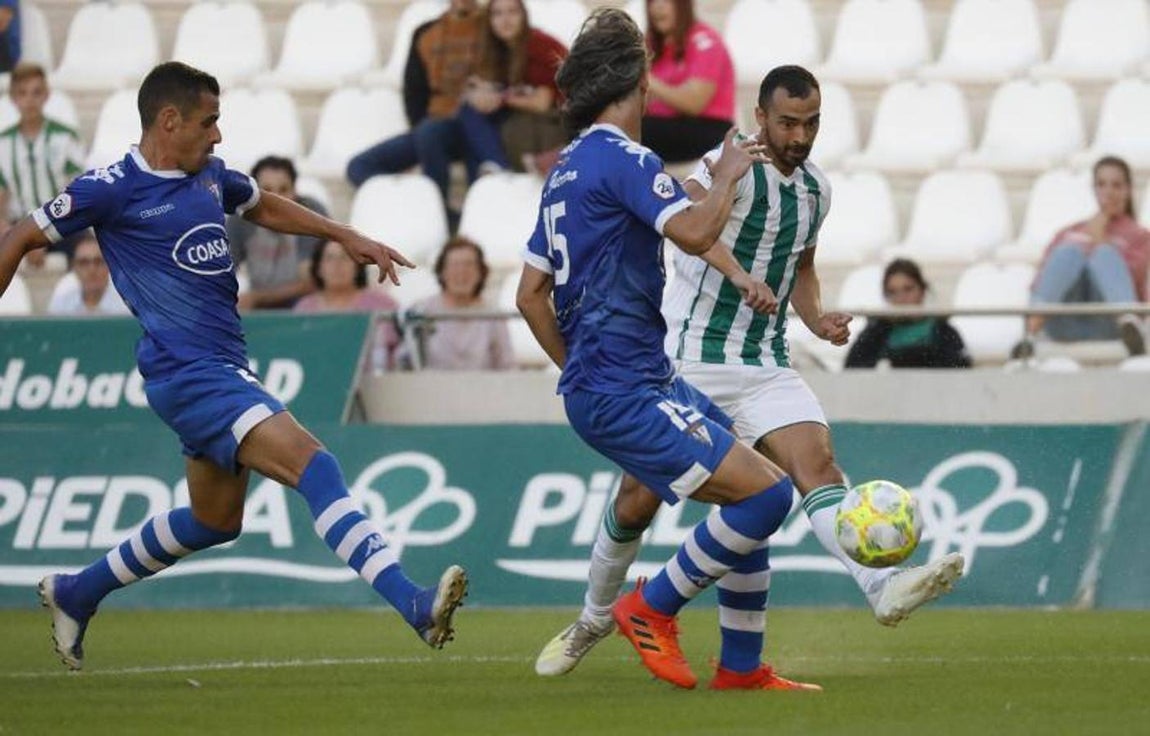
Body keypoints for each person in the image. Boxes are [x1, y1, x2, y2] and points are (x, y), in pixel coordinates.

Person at [0, 61, 467, 671]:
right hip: (189, 371)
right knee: (315, 465)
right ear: (169, 121)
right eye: (208, 121)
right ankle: (414, 603)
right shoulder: (109, 187)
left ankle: (76, 592)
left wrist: (343, 234)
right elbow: (17, 237)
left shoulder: (209, 176)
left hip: (216, 365)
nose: (217, 134)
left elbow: (264, 205)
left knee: (215, 519)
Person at [533, 65, 965, 685]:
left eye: (811, 123)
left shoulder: (816, 190)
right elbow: (687, 226)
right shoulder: (725, 162)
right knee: (638, 498)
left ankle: (877, 588)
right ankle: (594, 619)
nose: (799, 135)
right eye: (788, 122)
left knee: (811, 468)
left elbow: (802, 264)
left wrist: (816, 320)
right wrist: (736, 270)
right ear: (760, 116)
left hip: (764, 363)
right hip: (689, 358)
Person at [516, 9, 814, 691]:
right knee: (767, 498)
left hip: (631, 380)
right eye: (648, 78)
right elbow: (696, 228)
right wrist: (731, 172)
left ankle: (739, 666)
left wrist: (584, 372)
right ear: (633, 82)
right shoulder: (626, 159)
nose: (653, 93)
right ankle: (648, 609)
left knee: (725, 471)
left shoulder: (567, 171)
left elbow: (530, 295)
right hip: (628, 387)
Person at [346, 0, 483, 223]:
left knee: (430, 133)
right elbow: (414, 91)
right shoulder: (426, 33)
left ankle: (437, 216)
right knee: (359, 167)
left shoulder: (493, 27)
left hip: (478, 126)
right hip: (435, 126)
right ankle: (429, 209)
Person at [1013, 156, 1150, 359]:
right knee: (1068, 252)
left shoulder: (1140, 237)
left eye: (1116, 185)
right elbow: (1041, 282)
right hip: (1064, 319)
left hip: (1109, 321)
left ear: (1128, 190)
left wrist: (1100, 237)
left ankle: (1129, 325)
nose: (1109, 192)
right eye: (1101, 184)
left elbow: (1136, 284)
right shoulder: (1068, 232)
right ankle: (1029, 335)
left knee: (1104, 254)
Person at [456, 0, 569, 174]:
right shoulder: (499, 49)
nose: (505, 20)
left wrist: (500, 98)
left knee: (475, 116)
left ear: (524, 16)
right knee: (469, 112)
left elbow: (542, 103)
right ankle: (491, 172)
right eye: (497, 14)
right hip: (529, 118)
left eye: (512, 12)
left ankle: (499, 168)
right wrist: (482, 92)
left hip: (559, 119)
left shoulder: (540, 44)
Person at [0, 62, 85, 264]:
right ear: (13, 97)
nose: (29, 100)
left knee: (88, 250)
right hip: (17, 225)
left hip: (60, 223)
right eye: (22, 93)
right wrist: (16, 236)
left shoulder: (65, 137)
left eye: (36, 92)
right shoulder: (3, 143)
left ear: (46, 95)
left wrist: (43, 237)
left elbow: (76, 193)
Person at [641, 0, 735, 164]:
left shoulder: (705, 41)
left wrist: (647, 79)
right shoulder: (652, 44)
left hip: (707, 129)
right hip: (664, 125)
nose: (658, 6)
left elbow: (694, 103)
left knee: (631, 132)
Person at [226, 155, 326, 310]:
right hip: (259, 308)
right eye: (267, 190)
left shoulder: (310, 213)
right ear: (253, 193)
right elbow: (224, 270)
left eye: (284, 190)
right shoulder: (239, 218)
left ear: (295, 191)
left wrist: (258, 297)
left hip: (306, 307)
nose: (277, 199)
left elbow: (312, 282)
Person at [293, 239, 402, 374]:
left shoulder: (383, 304)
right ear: (318, 268)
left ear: (358, 266)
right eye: (329, 258)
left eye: (345, 258)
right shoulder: (304, 308)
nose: (337, 265)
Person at [407, 236, 513, 370]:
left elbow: (507, 365)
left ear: (481, 272)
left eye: (469, 265)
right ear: (442, 272)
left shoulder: (494, 315)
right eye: (455, 265)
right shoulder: (422, 310)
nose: (462, 272)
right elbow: (406, 361)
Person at [845, 258, 971, 369]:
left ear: (922, 290)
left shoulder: (943, 331)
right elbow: (852, 370)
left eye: (908, 289)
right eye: (893, 292)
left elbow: (960, 371)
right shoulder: (875, 332)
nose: (901, 298)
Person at [45, 231, 130, 315]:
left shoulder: (127, 302)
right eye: (83, 263)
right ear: (74, 268)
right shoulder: (63, 294)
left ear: (109, 266)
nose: (92, 269)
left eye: (98, 262)